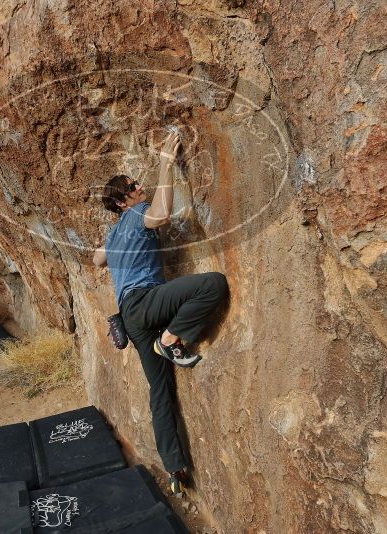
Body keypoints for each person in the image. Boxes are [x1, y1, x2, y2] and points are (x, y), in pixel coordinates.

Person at [92, 131, 229, 495]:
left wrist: (116, 243)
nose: (141, 188)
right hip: (145, 303)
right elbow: (161, 214)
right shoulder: (137, 212)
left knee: (160, 391)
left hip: (130, 318)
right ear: (124, 201)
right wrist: (167, 165)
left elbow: (96, 260)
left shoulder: (114, 231)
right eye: (134, 187)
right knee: (213, 284)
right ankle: (170, 340)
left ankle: (174, 467)